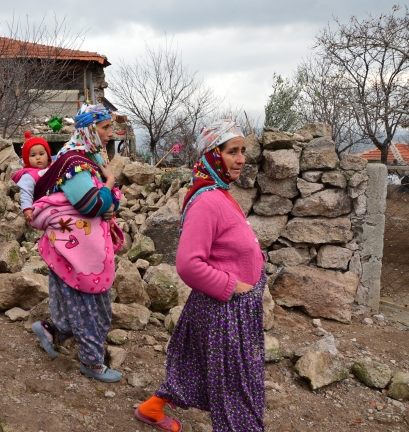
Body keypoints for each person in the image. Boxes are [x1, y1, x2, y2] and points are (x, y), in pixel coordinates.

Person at [135, 120, 267, 431]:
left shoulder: (219, 193)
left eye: (243, 151)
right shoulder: (207, 201)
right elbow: (188, 264)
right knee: (239, 394)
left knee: (193, 365)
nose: (240, 159)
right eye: (232, 151)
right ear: (213, 155)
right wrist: (232, 286)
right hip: (225, 312)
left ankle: (152, 408)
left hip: (226, 308)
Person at [29, 102, 125, 383]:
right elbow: (90, 204)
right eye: (105, 127)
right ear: (88, 129)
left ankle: (51, 331)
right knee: (89, 305)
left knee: (78, 302)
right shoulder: (74, 163)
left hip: (77, 246)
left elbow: (113, 201)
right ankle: (92, 362)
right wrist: (108, 185)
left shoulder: (89, 158)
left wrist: (108, 197)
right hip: (76, 251)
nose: (110, 133)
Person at [11, 132, 52, 222]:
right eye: (33, 155)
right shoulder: (29, 175)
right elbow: (26, 193)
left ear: (48, 156)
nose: (38, 158)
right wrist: (27, 209)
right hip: (40, 205)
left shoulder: (52, 167)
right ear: (27, 159)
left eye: (41, 154)